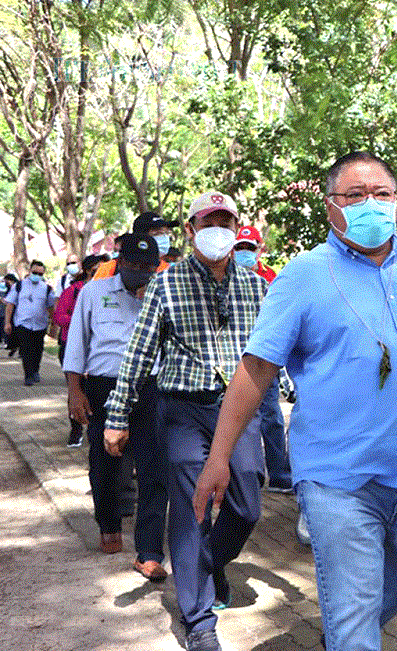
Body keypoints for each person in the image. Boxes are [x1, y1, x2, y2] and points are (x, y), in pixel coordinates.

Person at [192, 151, 397, 651]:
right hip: (338, 481)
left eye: (381, 194)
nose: (370, 204)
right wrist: (219, 457)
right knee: (355, 617)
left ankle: (345, 632)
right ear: (331, 206)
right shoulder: (303, 276)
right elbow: (256, 370)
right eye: (354, 195)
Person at [104, 192, 268, 651]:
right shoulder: (167, 283)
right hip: (182, 410)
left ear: (235, 228)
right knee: (193, 504)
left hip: (237, 411)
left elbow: (273, 351)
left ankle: (206, 563)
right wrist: (116, 416)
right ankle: (198, 618)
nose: (216, 227)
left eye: (225, 220)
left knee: (247, 502)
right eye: (206, 220)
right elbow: (138, 354)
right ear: (191, 230)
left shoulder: (255, 287)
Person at [63, 235, 168, 578]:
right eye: (133, 266)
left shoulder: (163, 295)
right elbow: (77, 343)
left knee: (154, 467)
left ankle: (149, 549)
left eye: (147, 267)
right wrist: (75, 391)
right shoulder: (94, 292)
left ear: (156, 267)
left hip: (149, 388)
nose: (140, 273)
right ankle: (108, 523)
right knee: (105, 461)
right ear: (119, 263)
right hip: (103, 387)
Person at [233, 225, 291, 492]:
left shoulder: (272, 278)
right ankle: (243, 474)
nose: (245, 253)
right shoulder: (224, 276)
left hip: (265, 356)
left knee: (271, 416)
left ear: (260, 249)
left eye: (250, 248)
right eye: (240, 248)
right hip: (232, 357)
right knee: (236, 416)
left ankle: (278, 473)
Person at [54, 254, 104, 447]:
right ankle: (76, 429)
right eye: (96, 269)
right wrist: (79, 322)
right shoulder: (73, 291)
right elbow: (59, 316)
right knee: (76, 390)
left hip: (98, 350)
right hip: (73, 346)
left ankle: (96, 428)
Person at [4, 260, 56, 386]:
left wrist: (53, 324)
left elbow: (50, 308)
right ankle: (28, 375)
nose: (37, 275)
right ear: (29, 271)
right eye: (34, 272)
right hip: (23, 324)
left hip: (40, 325)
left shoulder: (46, 289)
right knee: (26, 350)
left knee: (37, 349)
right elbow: (10, 305)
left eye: (40, 273)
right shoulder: (19, 286)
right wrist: (7, 323)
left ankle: (35, 371)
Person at [92, 211, 178, 280]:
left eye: (166, 233)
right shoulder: (110, 268)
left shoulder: (168, 270)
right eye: (158, 233)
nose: (164, 238)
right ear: (141, 237)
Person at [3, 272, 19, 355]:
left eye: (6, 281)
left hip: (15, 312)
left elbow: (9, 302)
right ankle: (13, 346)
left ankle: (15, 347)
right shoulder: (12, 287)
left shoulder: (16, 287)